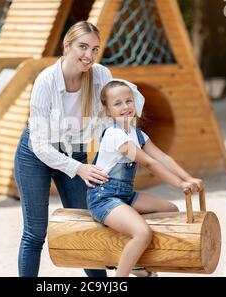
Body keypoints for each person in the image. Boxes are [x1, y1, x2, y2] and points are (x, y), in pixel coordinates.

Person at [14, 21, 113, 277]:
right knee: (35, 232)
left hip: (75, 151)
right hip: (35, 155)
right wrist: (79, 168)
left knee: (85, 228)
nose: (89, 55)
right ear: (67, 46)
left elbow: (110, 122)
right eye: (83, 47)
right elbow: (41, 146)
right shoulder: (45, 82)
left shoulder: (101, 76)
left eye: (94, 49)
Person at [87, 80, 204, 277]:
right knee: (142, 232)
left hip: (125, 196)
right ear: (107, 110)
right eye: (117, 104)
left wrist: (189, 177)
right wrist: (180, 184)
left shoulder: (138, 134)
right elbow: (149, 163)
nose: (125, 107)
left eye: (128, 101)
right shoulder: (114, 135)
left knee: (170, 210)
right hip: (103, 199)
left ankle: (139, 262)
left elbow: (163, 158)